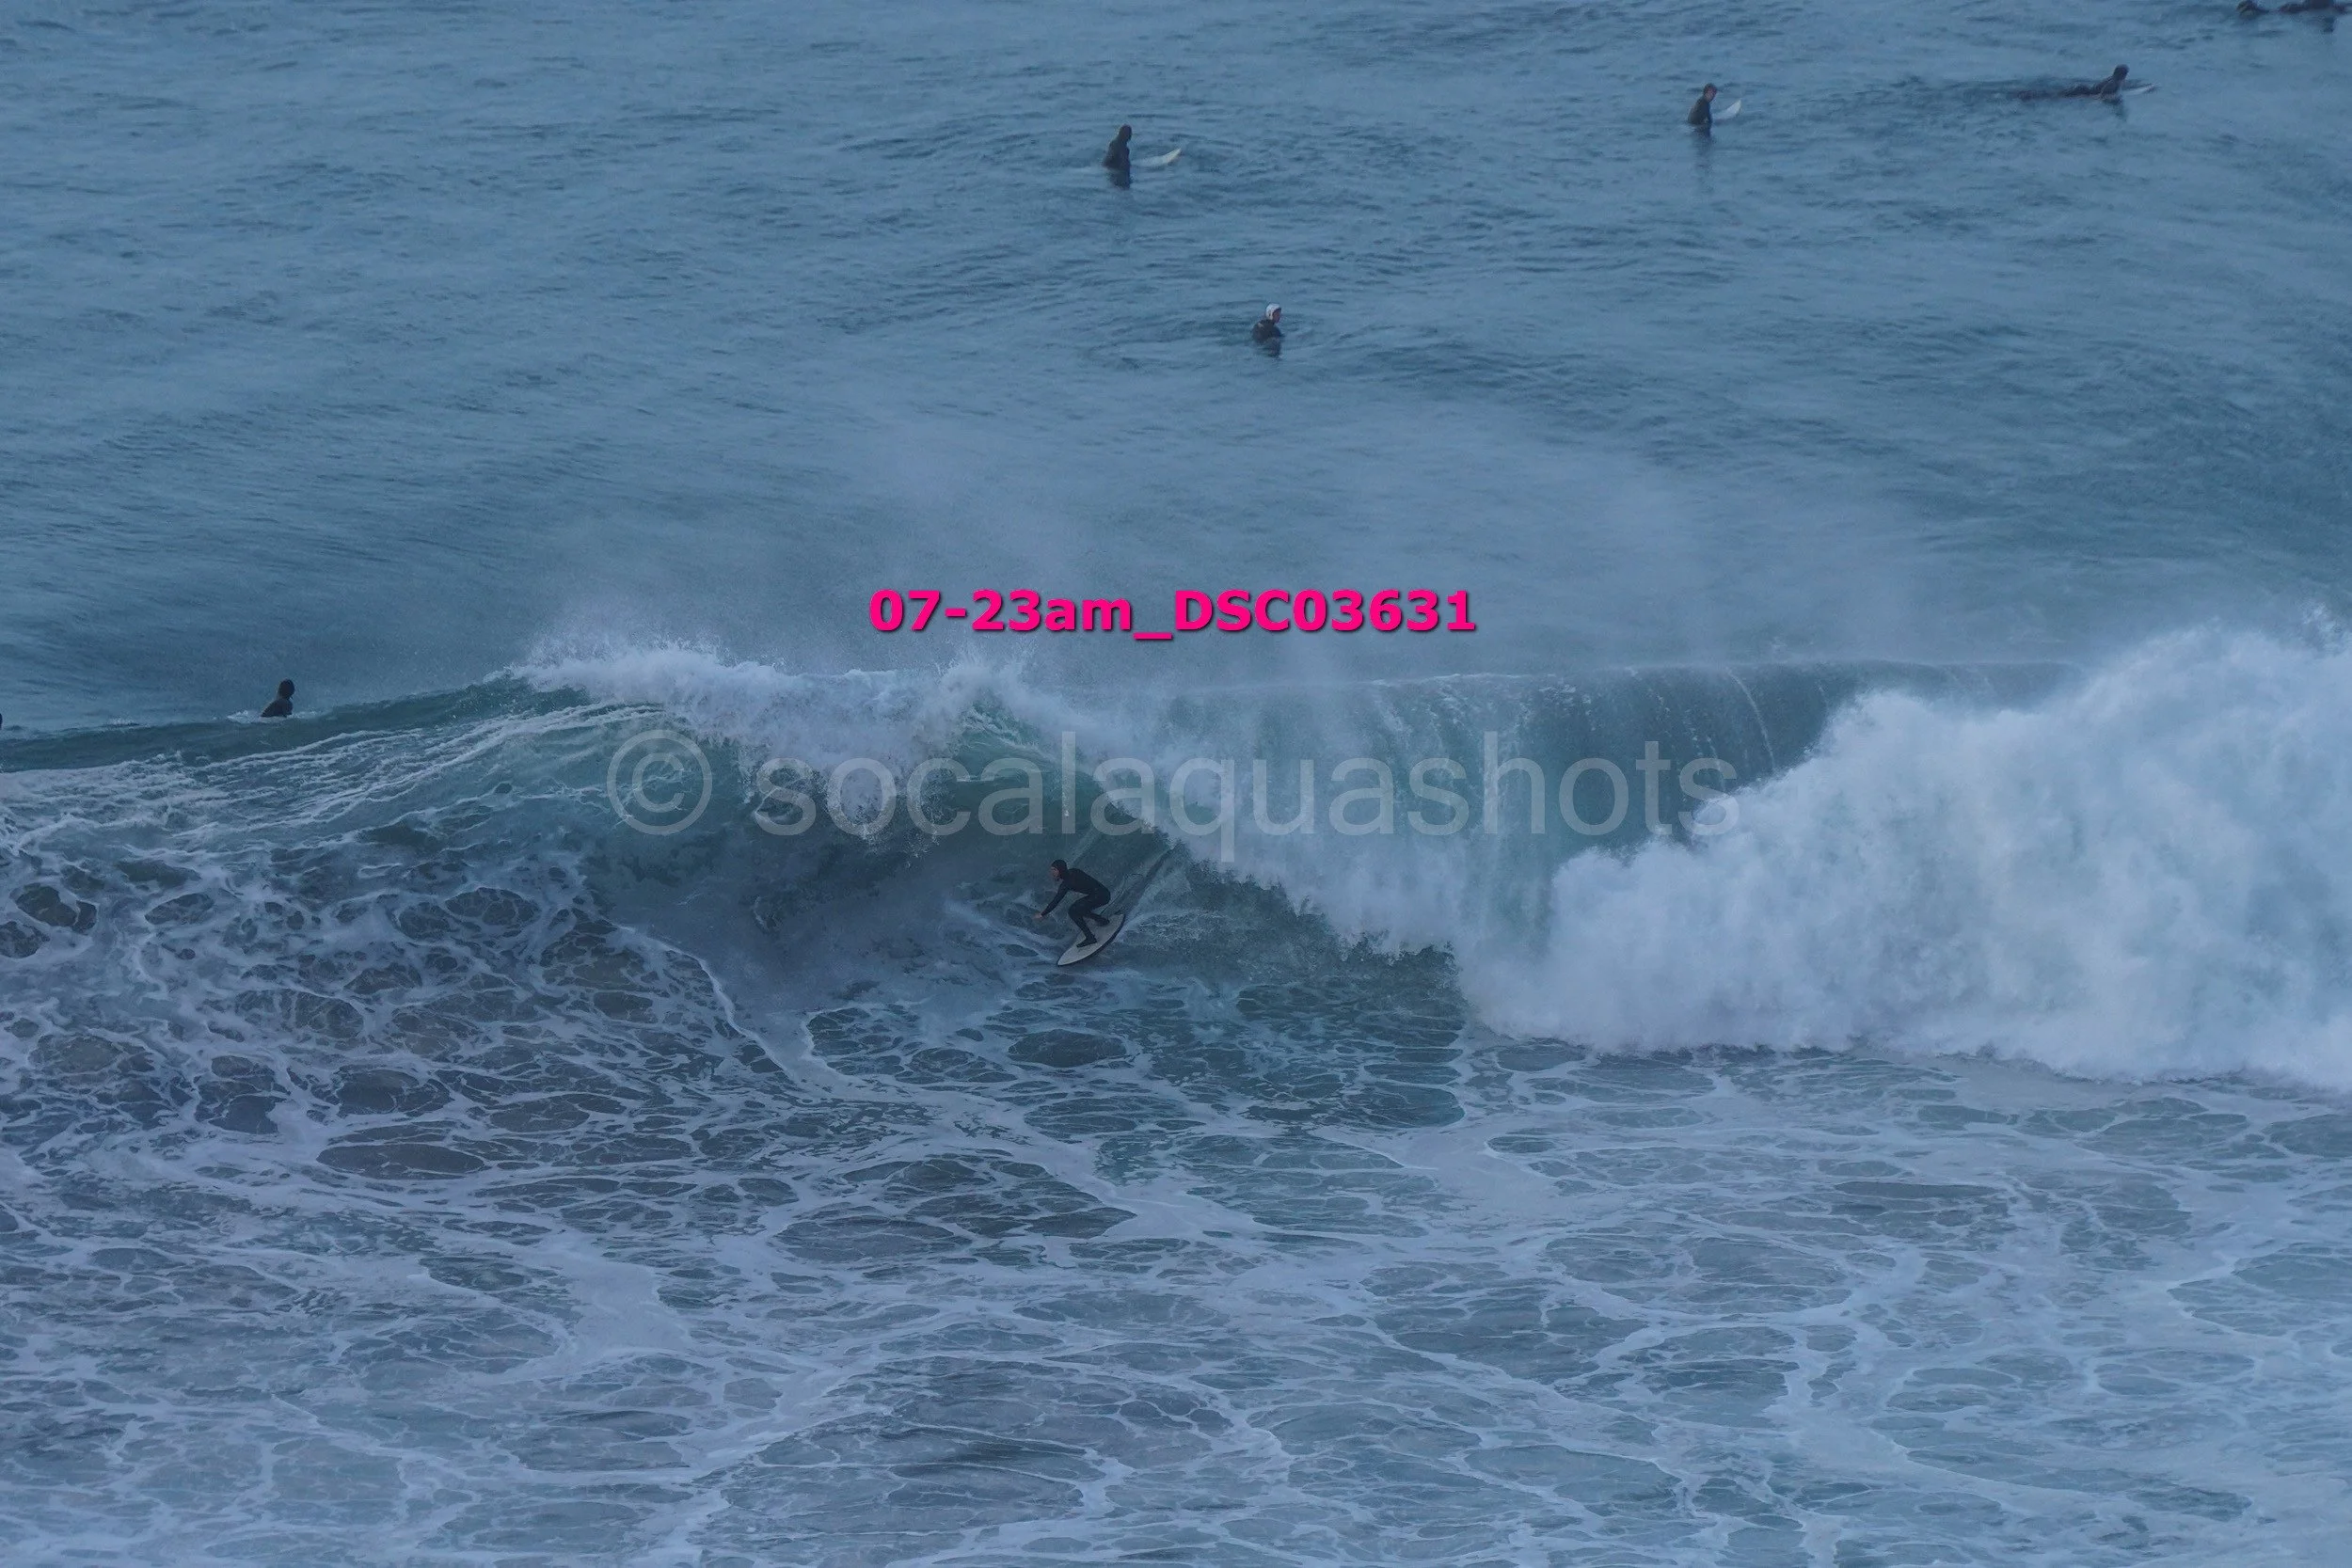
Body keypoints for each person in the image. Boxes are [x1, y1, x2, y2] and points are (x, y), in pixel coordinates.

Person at [1035, 860, 1112, 944]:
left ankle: (1090, 938)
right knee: (1079, 907)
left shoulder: (1067, 884)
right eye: (1051, 870)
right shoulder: (1074, 871)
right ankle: (1101, 920)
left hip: (1100, 897)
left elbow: (1056, 901)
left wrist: (1042, 914)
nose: (1052, 872)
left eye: (1054, 870)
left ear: (1061, 870)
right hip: (1104, 893)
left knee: (1073, 911)